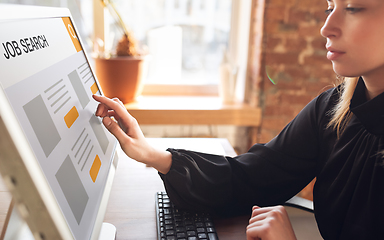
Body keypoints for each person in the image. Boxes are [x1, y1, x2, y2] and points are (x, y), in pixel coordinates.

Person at [93, 0, 384, 239]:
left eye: (353, 8)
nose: (327, 28)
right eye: (330, 7)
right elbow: (255, 176)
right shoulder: (333, 110)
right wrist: (156, 156)